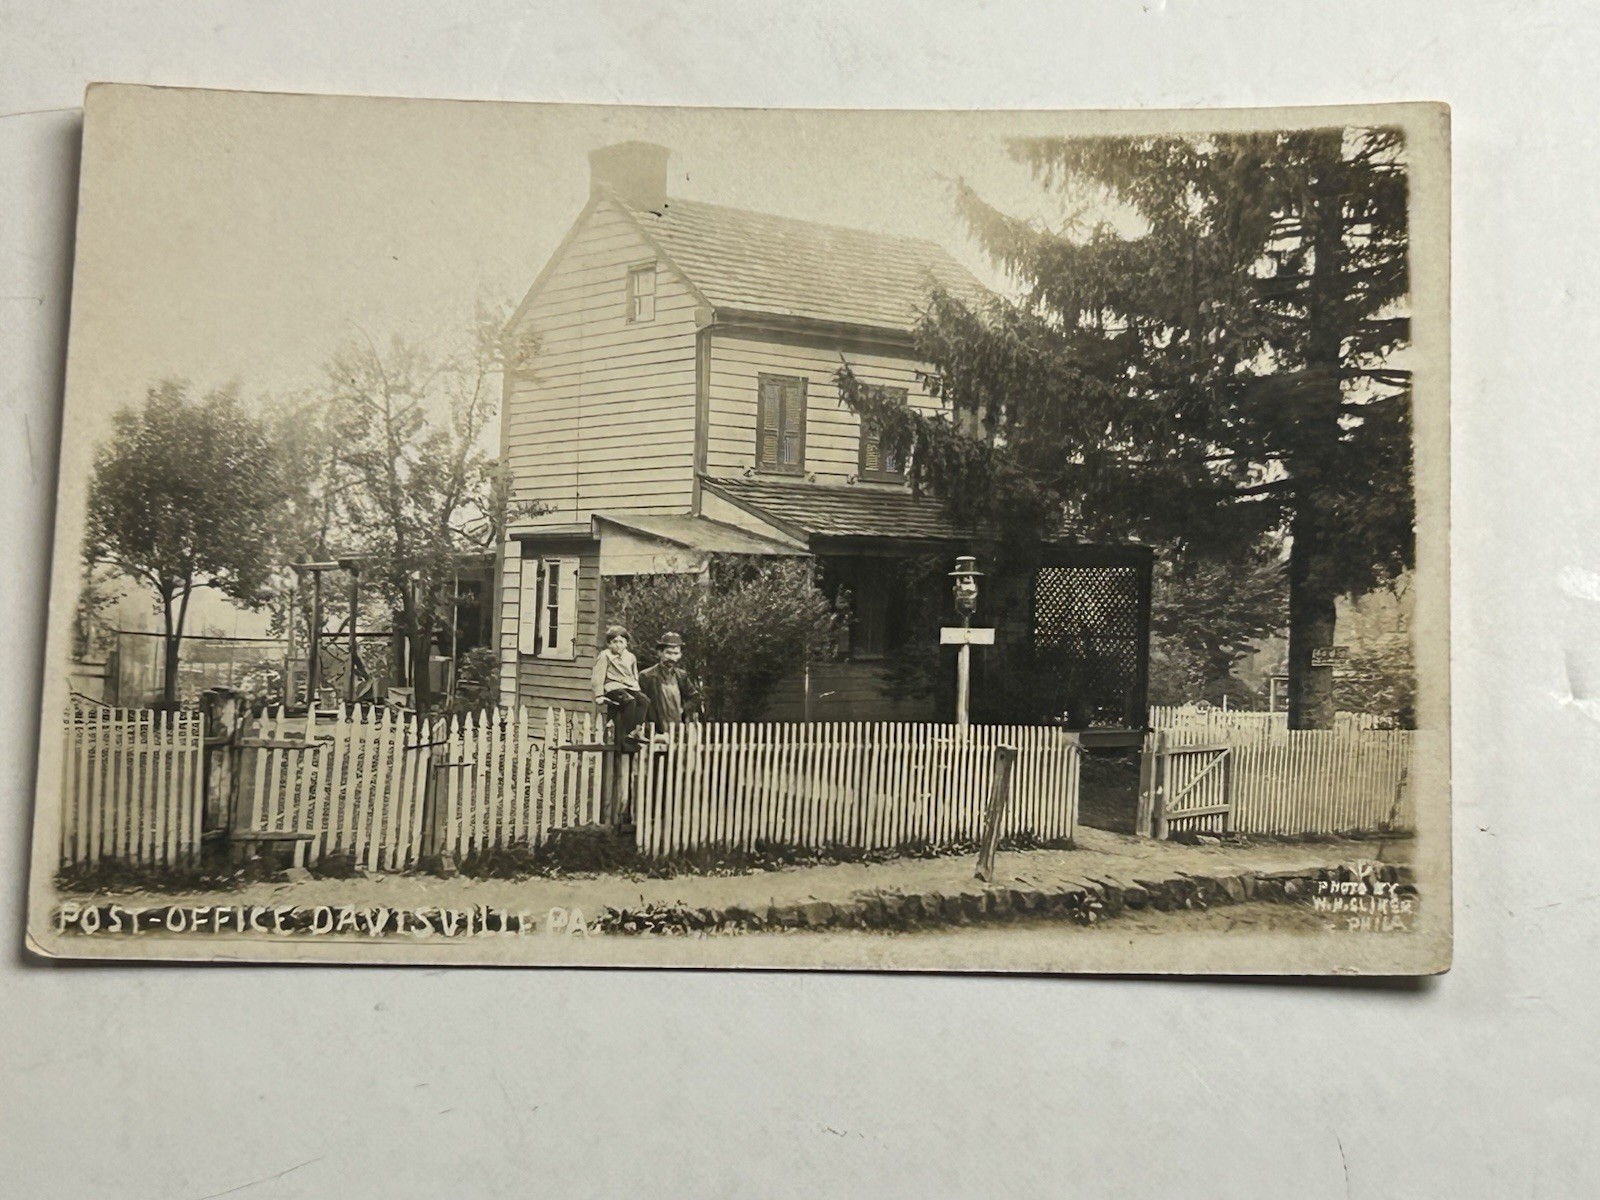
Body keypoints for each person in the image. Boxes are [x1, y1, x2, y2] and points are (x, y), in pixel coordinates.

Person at [590, 625, 647, 750]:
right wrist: (599, 695)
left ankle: (636, 730)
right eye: (614, 642)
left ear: (626, 643)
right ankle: (627, 732)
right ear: (609, 643)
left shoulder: (630, 657)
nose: (618, 645)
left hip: (628, 686)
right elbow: (597, 677)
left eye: (621, 642)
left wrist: (637, 689)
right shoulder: (605, 656)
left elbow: (634, 675)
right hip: (613, 687)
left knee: (644, 700)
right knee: (629, 701)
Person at [638, 631, 702, 731]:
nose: (672, 658)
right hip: (655, 728)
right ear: (660, 653)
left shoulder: (682, 676)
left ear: (680, 655)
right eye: (668, 653)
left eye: (676, 653)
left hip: (678, 726)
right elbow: (641, 702)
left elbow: (694, 696)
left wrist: (683, 709)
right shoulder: (646, 676)